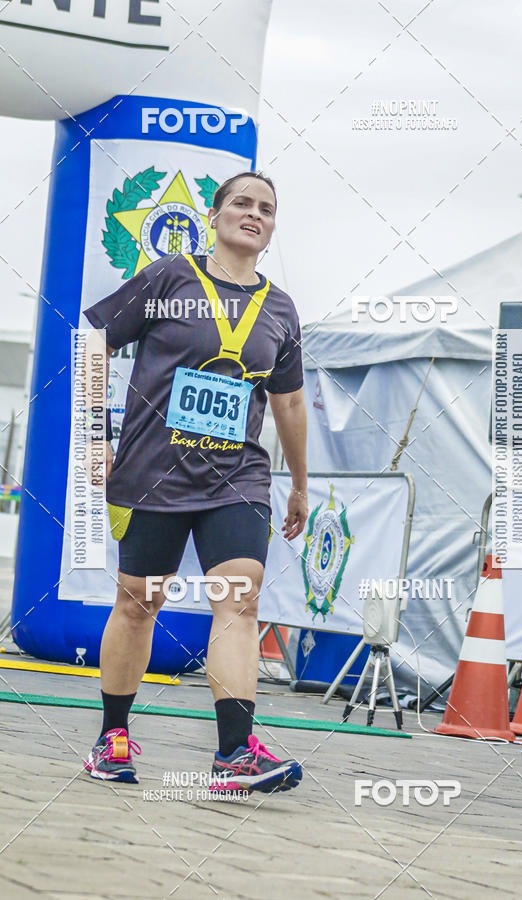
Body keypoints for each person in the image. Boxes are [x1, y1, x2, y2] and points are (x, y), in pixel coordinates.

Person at [82, 171, 307, 794]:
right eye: (241, 202)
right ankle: (112, 738)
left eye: (266, 207)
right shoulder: (171, 279)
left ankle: (236, 753)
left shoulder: (281, 309)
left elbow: (288, 405)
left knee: (239, 596)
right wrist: (96, 433)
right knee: (138, 601)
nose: (253, 214)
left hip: (237, 477)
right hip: (154, 472)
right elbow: (96, 337)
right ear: (215, 214)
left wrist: (299, 486)